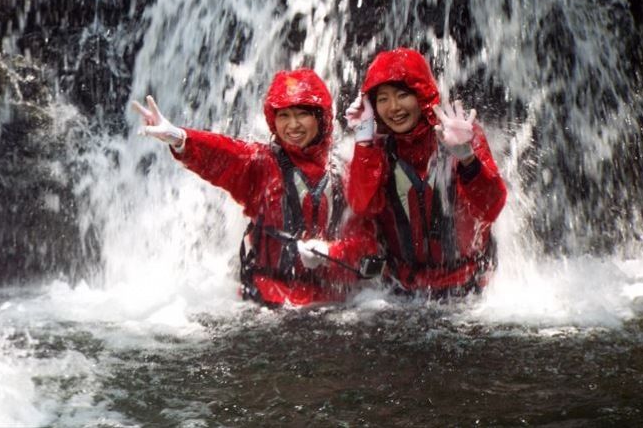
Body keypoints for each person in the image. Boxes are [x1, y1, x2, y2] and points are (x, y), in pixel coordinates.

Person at [132, 68, 380, 307]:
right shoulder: (262, 165)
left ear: (321, 117)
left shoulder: (343, 170)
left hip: (332, 303)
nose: (292, 125)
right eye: (283, 116)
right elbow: (223, 154)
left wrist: (331, 251)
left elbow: (364, 241)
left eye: (301, 114)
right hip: (269, 300)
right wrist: (180, 139)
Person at [344, 47, 507, 297]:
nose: (394, 107)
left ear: (421, 95)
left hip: (469, 287)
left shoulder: (459, 134)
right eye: (383, 99)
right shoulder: (377, 149)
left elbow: (492, 207)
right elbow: (362, 206)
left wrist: (468, 159)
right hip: (403, 289)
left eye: (402, 95)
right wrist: (364, 139)